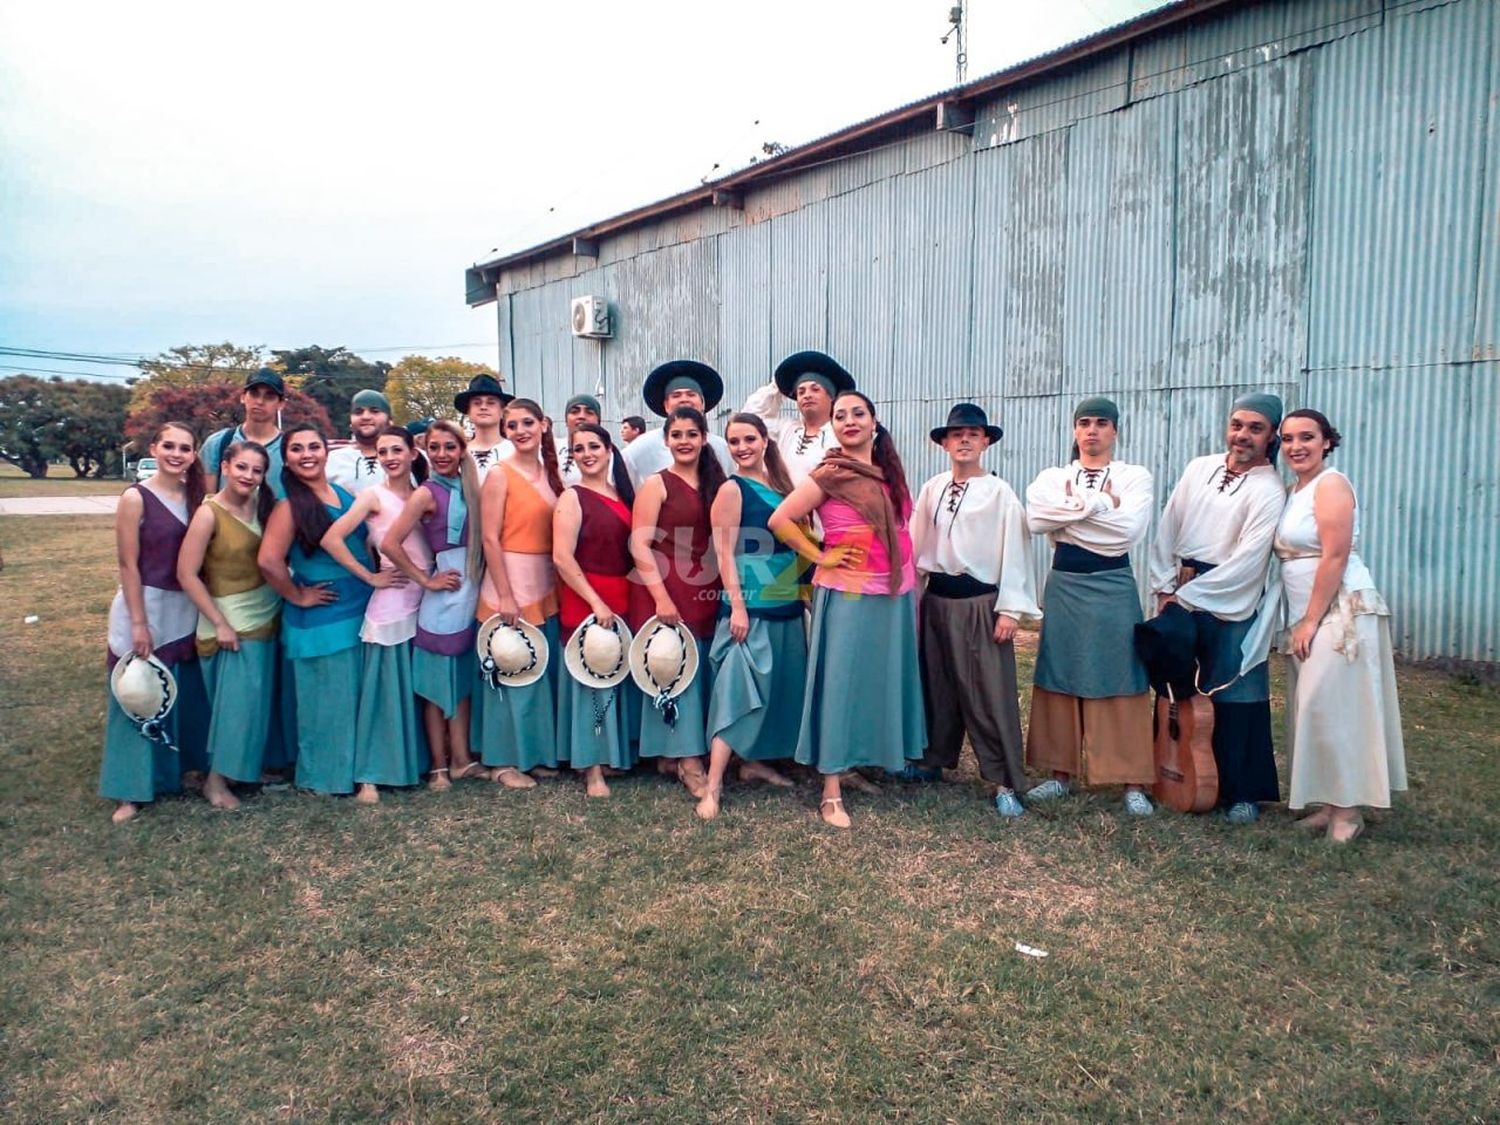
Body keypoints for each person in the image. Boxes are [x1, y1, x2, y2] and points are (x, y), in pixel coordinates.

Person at [768, 390, 926, 829]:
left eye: (858, 413)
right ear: (833, 427)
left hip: (893, 592)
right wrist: (820, 555)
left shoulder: (888, 472)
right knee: (840, 683)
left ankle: (856, 762)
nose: (849, 421)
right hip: (848, 592)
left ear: (874, 422)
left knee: (876, 680)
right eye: (840, 416)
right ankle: (830, 788)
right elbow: (779, 520)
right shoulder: (830, 473)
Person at [1149, 392, 1286, 824]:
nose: (1242, 435)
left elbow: (1250, 560)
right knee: (1179, 689)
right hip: (1182, 588)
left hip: (1231, 595)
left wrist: (1188, 597)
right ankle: (1178, 776)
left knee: (1235, 690)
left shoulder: (1270, 490)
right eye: (1237, 424)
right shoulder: (1199, 467)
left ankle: (1243, 791)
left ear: (1271, 437)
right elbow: (1168, 526)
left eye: (1255, 428)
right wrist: (1164, 585)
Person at [1275, 409, 1405, 843]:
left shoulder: (1332, 485)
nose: (1296, 446)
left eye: (1307, 437)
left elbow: (1334, 555)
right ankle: (1329, 804)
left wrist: (1312, 620)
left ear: (1327, 441)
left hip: (1340, 610)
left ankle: (1348, 814)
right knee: (1315, 708)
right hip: (1305, 611)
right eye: (1288, 438)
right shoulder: (1296, 490)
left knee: (1334, 707)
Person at [1024, 397, 1156, 815]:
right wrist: (1101, 505)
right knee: (1060, 668)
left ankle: (1132, 780)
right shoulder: (1053, 475)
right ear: (1074, 430)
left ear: (1115, 430)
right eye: (1085, 423)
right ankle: (1059, 772)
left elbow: (1126, 532)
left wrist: (1071, 514)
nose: (1093, 430)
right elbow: (1036, 519)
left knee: (1121, 672)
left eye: (1102, 423)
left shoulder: (1134, 476)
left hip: (1113, 583)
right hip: (1065, 583)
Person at [911, 403, 1040, 814]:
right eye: (956, 434)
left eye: (972, 433)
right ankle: (933, 759)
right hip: (937, 600)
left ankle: (1004, 780)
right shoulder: (932, 488)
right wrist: (912, 600)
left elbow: (1016, 552)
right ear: (944, 443)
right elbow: (915, 549)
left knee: (987, 692)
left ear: (985, 441)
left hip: (980, 602)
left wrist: (1009, 610)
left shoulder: (1000, 493)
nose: (964, 439)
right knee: (937, 685)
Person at [698, 414, 807, 819]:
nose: (741, 447)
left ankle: (756, 762)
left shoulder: (780, 486)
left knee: (777, 689)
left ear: (765, 440)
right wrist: (738, 607)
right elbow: (723, 553)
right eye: (733, 441)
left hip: (786, 603)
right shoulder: (732, 489)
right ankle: (713, 786)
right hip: (751, 606)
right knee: (737, 690)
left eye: (749, 439)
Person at [100, 422, 208, 823]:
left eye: (185, 447)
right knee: (135, 691)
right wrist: (140, 622)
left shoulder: (196, 498)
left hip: (184, 607)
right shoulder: (136, 497)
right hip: (142, 602)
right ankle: (130, 788)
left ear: (194, 454)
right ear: (154, 448)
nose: (176, 454)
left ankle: (176, 771)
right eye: (169, 446)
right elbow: (128, 563)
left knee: (183, 692)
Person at [256, 426, 373, 795]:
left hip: (358, 605)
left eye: (313, 447)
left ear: (326, 452)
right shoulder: (289, 506)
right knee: (325, 701)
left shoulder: (342, 493)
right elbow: (269, 561)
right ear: (286, 458)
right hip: (321, 614)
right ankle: (325, 775)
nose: (306, 454)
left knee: (352, 696)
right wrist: (297, 596)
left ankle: (360, 767)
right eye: (296, 449)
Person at [320, 426, 431, 800]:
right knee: (383, 692)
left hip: (427, 599)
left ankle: (415, 764)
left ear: (413, 452)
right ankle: (370, 774)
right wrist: (370, 576)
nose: (389, 458)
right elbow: (332, 538)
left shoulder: (424, 495)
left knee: (416, 690)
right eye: (382, 452)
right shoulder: (372, 496)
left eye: (397, 450)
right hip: (392, 599)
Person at [381, 419, 488, 786]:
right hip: (443, 595)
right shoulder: (426, 493)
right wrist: (426, 579)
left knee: (459, 682)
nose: (441, 454)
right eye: (435, 447)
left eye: (449, 447)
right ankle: (438, 766)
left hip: (471, 590)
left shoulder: (471, 486)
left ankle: (461, 759)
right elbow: (390, 543)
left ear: (461, 449)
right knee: (434, 686)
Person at [176, 440, 280, 811]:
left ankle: (247, 769)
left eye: (256, 470)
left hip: (267, 613)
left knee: (257, 702)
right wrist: (219, 623)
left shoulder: (261, 505)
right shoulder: (208, 514)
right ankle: (215, 781)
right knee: (234, 706)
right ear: (225, 466)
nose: (248, 476)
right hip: (228, 622)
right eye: (242, 468)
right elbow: (186, 574)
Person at [629, 404, 726, 796]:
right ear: (666, 441)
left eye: (691, 434)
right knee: (675, 667)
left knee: (699, 670)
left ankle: (677, 752)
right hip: (665, 587)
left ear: (703, 438)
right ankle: (688, 761)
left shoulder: (715, 482)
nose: (684, 441)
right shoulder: (657, 484)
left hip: (704, 585)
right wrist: (660, 598)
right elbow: (639, 544)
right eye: (676, 435)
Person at [475, 398, 564, 786]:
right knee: (509, 668)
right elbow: (489, 539)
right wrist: (506, 595)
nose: (521, 430)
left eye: (528, 422)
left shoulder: (552, 472)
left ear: (543, 424)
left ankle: (535, 754)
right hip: (508, 582)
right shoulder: (498, 474)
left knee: (538, 672)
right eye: (512, 426)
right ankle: (502, 762)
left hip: (544, 582)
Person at [553, 423, 640, 796]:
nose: (587, 453)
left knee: (614, 676)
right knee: (590, 678)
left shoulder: (623, 496)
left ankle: (612, 755)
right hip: (586, 595)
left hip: (621, 595)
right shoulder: (572, 497)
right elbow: (561, 556)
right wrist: (594, 601)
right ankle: (591, 769)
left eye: (594, 446)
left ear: (609, 450)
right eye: (579, 448)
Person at [741, 350, 854, 483]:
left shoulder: (840, 434)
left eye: (815, 389)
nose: (807, 395)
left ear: (831, 396)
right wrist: (777, 386)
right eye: (801, 392)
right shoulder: (787, 429)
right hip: (783, 503)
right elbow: (749, 419)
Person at [622, 360, 733, 485]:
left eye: (691, 394)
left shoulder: (720, 447)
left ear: (702, 404)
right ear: (666, 405)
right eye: (676, 395)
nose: (684, 400)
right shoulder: (641, 448)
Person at [202, 367, 288, 498]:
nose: (260, 401)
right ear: (243, 397)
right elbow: (206, 502)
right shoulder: (218, 443)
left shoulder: (290, 450)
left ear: (281, 404)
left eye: (269, 396)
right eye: (254, 394)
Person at [326, 388, 393, 494]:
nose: (365, 417)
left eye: (375, 411)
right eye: (358, 412)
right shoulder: (332, 460)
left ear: (390, 420)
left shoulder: (406, 458)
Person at [453, 373, 514, 481]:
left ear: (502, 411)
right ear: (468, 411)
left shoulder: (516, 451)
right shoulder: (457, 454)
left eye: (491, 403)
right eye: (477, 403)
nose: (483, 407)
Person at [555, 393, 602, 484]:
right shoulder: (552, 448)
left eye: (589, 412)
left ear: (598, 420)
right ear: (566, 420)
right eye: (574, 412)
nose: (581, 416)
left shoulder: (608, 454)